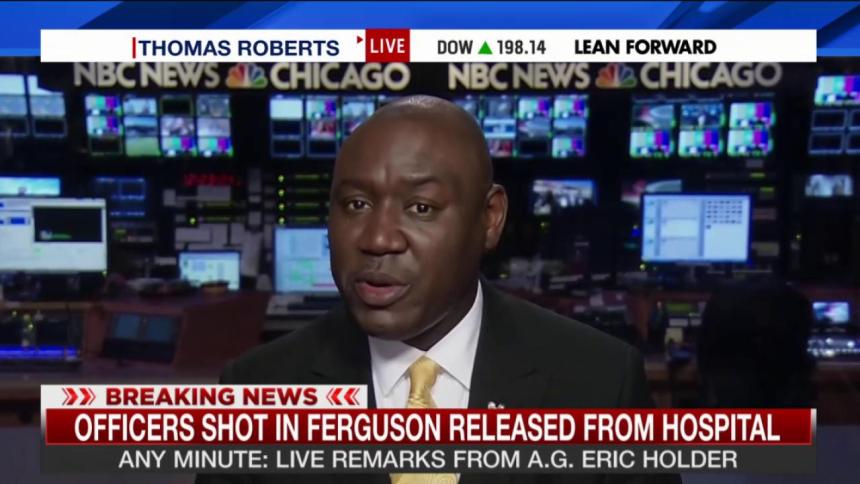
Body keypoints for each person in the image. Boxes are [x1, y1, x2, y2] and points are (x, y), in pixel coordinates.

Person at [197, 96, 680, 484]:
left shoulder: (601, 383)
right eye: (356, 204)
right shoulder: (255, 390)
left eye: (421, 208)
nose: (378, 238)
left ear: (489, 219)